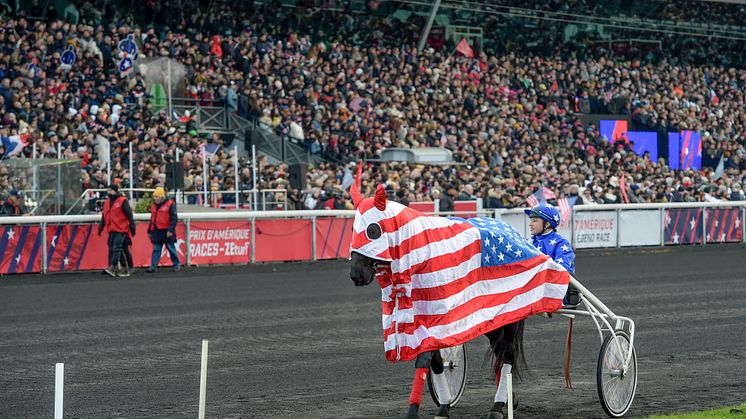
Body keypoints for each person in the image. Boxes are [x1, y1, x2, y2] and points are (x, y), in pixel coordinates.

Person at [524, 203, 580, 306]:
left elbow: (562, 270)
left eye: (535, 220)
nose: (530, 224)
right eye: (531, 220)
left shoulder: (561, 243)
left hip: (554, 291)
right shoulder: (530, 241)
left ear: (547, 224)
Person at [98, 185, 136, 277]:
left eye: (110, 190)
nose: (108, 192)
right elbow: (104, 216)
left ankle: (113, 266)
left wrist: (132, 227)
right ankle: (124, 267)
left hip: (121, 229)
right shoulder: (107, 203)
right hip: (112, 229)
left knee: (116, 248)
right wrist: (100, 228)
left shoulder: (123, 201)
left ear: (115, 191)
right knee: (116, 248)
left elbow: (129, 215)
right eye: (108, 190)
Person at [146, 187, 180, 273]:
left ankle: (176, 264)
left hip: (166, 230)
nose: (155, 198)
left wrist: (170, 230)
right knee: (156, 249)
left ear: (161, 196)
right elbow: (152, 219)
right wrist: (149, 230)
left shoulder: (170, 204)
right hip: (157, 231)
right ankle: (153, 266)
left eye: (157, 196)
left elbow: (174, 218)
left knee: (171, 249)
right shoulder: (154, 205)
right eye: (155, 196)